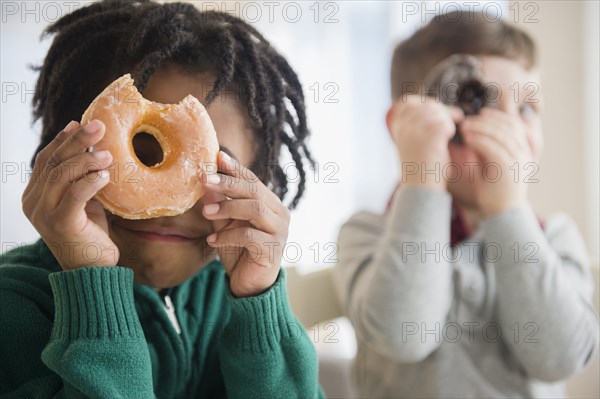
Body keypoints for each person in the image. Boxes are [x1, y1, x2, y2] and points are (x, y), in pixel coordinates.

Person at [0, 1, 324, 397]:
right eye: (141, 152)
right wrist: (93, 285)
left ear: (259, 180)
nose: (173, 206)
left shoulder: (232, 302)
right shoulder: (13, 306)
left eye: (214, 168)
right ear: (60, 155)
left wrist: (259, 307)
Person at [334, 10, 598, 398]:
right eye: (476, 101)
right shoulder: (367, 233)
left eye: (526, 109)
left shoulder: (554, 238)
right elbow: (405, 336)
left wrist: (508, 211)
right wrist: (423, 179)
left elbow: (561, 358)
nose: (510, 129)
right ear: (403, 126)